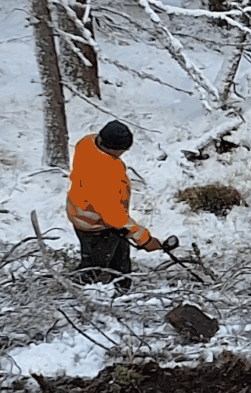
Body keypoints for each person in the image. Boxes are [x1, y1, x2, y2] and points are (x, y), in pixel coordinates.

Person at [67, 120, 176, 284]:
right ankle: (86, 291)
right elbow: (114, 216)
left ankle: (122, 283)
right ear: (112, 148)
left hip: (84, 212)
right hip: (95, 225)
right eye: (122, 150)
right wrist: (144, 239)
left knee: (120, 257)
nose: (123, 153)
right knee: (96, 266)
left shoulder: (87, 143)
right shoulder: (103, 173)